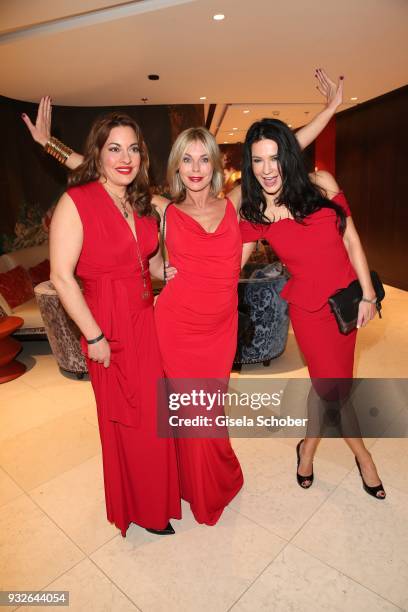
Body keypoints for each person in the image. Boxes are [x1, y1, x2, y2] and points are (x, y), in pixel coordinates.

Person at [23, 68, 347, 522]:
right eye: (186, 160)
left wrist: (330, 109)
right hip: (175, 328)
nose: (195, 169)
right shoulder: (162, 208)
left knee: (210, 417)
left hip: (219, 330)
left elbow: (281, 155)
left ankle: (211, 481)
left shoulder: (235, 203)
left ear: (215, 165)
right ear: (177, 167)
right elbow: (102, 170)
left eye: (204, 159)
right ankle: (193, 488)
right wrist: (49, 145)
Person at [48, 113, 181, 537]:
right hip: (107, 324)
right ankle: (141, 508)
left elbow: (150, 261)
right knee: (128, 420)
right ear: (98, 153)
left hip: (147, 319)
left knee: (156, 413)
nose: (125, 158)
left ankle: (157, 498)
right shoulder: (78, 201)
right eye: (114, 148)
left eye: (133, 148)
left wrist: (169, 271)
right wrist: (94, 336)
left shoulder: (140, 202)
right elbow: (61, 277)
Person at [239, 117, 386, 499]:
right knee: (335, 392)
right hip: (309, 312)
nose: (267, 169)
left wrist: (368, 293)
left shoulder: (322, 183)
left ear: (288, 155)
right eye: (258, 161)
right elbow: (228, 266)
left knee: (329, 388)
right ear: (249, 165)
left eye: (274, 157)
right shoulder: (256, 212)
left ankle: (307, 448)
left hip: (347, 304)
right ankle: (364, 457)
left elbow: (351, 239)